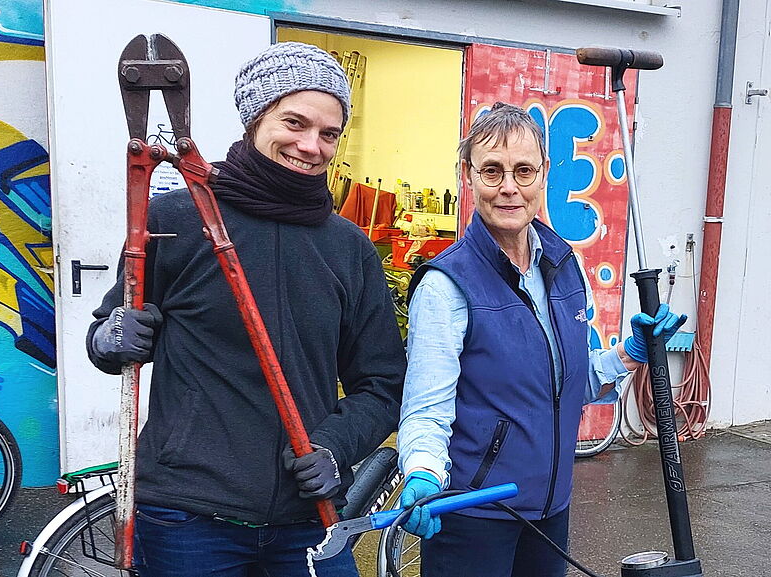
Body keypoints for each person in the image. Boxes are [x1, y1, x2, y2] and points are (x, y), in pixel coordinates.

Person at [86, 42, 406, 577]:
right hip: (188, 516)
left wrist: (334, 446)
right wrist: (110, 337)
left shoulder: (349, 249)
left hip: (308, 517)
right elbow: (107, 332)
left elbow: (382, 383)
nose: (312, 146)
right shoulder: (175, 220)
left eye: (329, 133)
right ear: (256, 118)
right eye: (295, 123)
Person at [396, 102, 687, 577]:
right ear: (468, 175)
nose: (509, 187)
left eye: (523, 170)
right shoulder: (447, 284)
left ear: (544, 174)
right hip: (474, 513)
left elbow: (568, 384)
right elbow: (427, 406)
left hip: (550, 509)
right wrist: (423, 472)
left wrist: (627, 355)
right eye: (492, 171)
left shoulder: (562, 263)